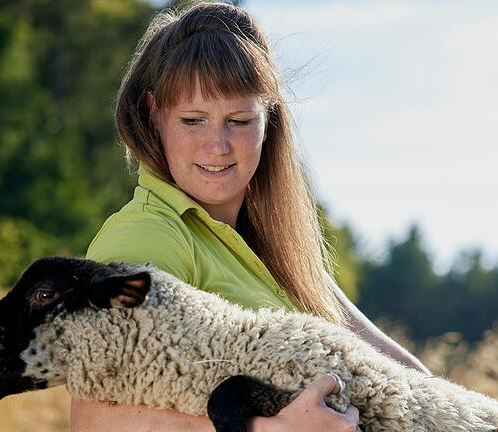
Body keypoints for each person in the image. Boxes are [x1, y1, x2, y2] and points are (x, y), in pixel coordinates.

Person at [71, 3, 429, 431]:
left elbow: (410, 382)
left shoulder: (273, 251)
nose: (217, 145)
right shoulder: (145, 239)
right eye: (193, 120)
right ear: (154, 114)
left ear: (269, 118)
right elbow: (94, 421)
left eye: (239, 121)